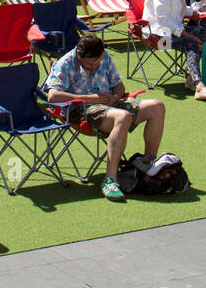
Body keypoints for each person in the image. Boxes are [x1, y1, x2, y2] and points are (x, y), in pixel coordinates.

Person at [44, 35, 167, 201]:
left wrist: (115, 97)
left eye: (97, 61)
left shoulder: (105, 56)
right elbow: (53, 96)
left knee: (157, 106)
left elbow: (118, 85)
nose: (94, 66)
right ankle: (110, 179)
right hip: (82, 110)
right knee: (122, 117)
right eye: (89, 63)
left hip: (110, 105)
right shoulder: (64, 64)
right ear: (79, 54)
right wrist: (93, 98)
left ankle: (148, 164)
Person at [143, 0, 206, 100]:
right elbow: (163, 20)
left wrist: (194, 12)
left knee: (200, 31)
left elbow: (180, 10)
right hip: (158, 37)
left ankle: (192, 79)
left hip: (170, 32)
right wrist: (186, 34)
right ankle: (198, 84)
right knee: (191, 42)